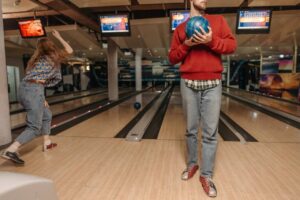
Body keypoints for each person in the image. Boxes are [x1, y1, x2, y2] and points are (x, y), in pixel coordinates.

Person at [168, 0, 236, 197]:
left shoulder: (218, 21)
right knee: (190, 130)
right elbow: (173, 57)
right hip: (188, 82)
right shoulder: (180, 29)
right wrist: (187, 44)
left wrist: (211, 41)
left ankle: (206, 175)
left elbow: (231, 46)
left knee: (210, 133)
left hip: (213, 83)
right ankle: (192, 165)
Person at [1, 30, 73, 165]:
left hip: (26, 88)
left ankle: (47, 142)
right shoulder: (52, 56)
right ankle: (11, 149)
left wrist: (41, 97)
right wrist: (59, 36)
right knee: (34, 127)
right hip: (33, 90)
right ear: (50, 46)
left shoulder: (35, 60)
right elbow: (69, 50)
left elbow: (36, 80)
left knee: (47, 114)